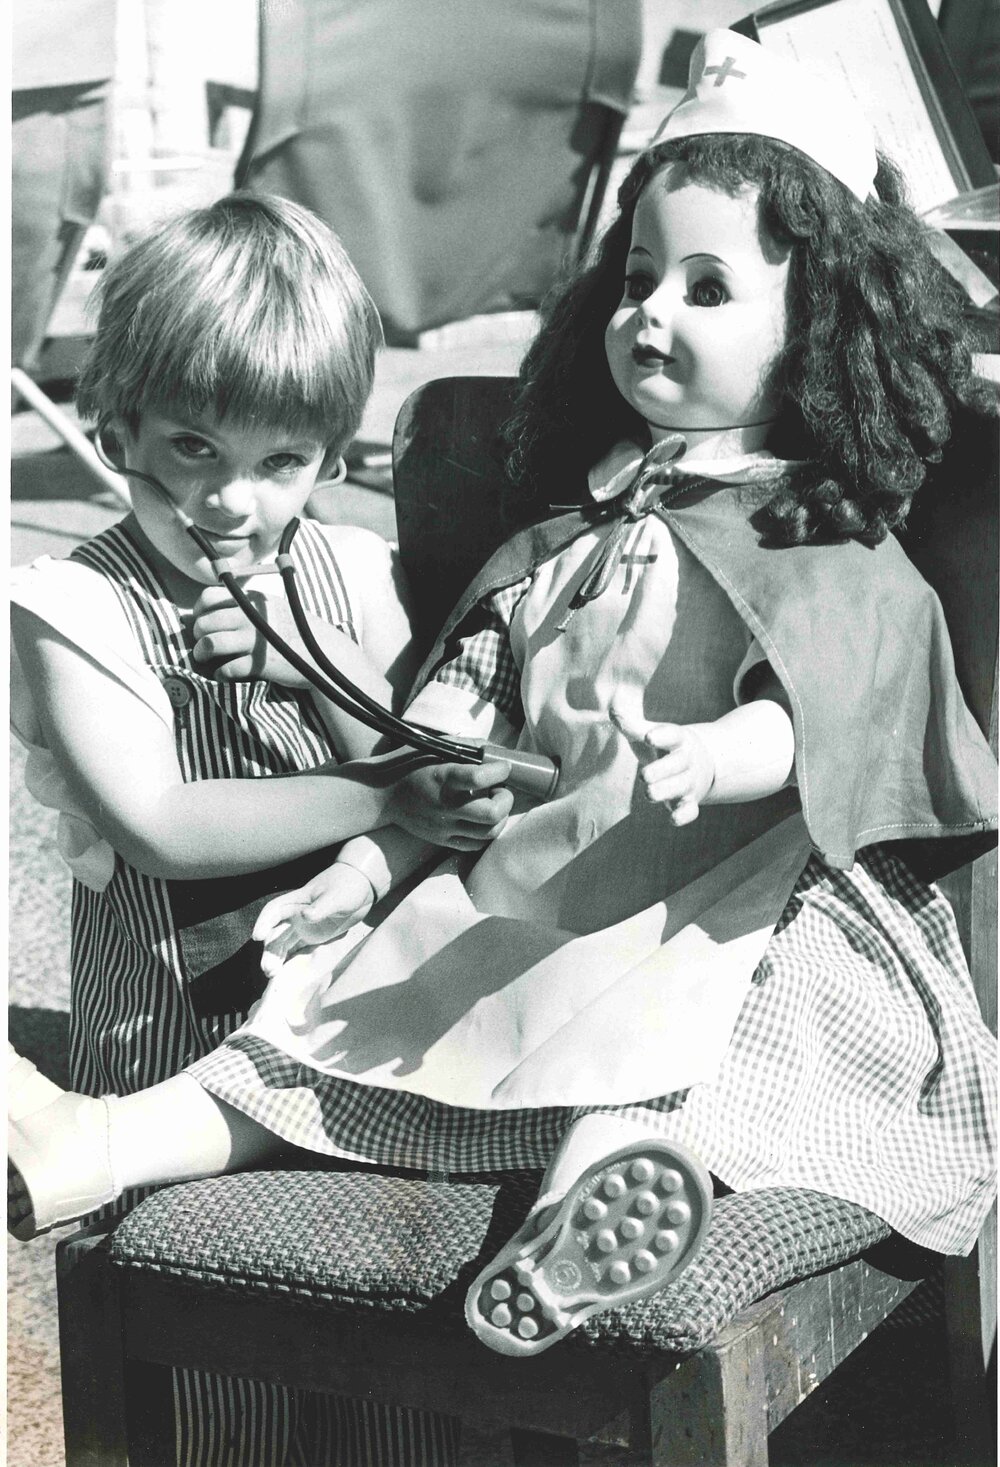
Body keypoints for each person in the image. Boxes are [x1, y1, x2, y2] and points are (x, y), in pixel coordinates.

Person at [11, 31, 997, 1373]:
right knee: (316, 1023)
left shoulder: (811, 537)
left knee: (694, 1038)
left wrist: (726, 750)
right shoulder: (576, 535)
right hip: (542, 886)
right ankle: (104, 1137)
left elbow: (838, 704)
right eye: (642, 275)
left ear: (814, 319)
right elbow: (462, 735)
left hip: (731, 891)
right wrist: (367, 867)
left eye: (708, 287)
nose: (654, 311)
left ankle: (588, 1210)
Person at [8, 191, 510, 1460]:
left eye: (278, 462)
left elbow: (424, 747)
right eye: (192, 450)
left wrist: (306, 664)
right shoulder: (75, 602)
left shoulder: (340, 567)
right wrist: (383, 796)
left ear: (332, 459)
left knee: (382, 1351)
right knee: (223, 1356)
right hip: (174, 1023)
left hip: (347, 1009)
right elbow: (164, 823)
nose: (234, 502)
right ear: (116, 431)